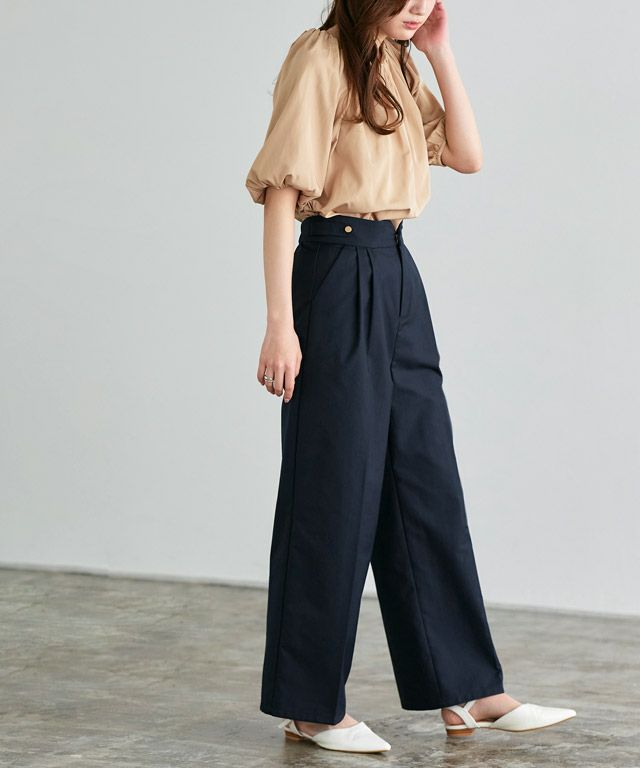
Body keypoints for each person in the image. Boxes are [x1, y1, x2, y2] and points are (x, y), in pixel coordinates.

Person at [244, 0, 576, 754]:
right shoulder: (321, 56)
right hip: (334, 270)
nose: (419, 3)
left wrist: (439, 53)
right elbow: (282, 193)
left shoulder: (394, 62)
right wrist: (279, 323)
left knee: (424, 477)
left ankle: (467, 689)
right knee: (334, 487)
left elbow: (466, 155)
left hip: (396, 272)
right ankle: (309, 706)